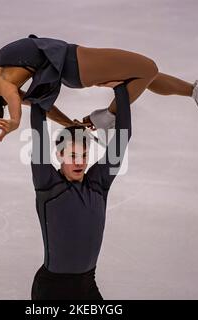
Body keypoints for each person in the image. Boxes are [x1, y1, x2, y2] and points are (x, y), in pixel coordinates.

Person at [0, 35, 198, 141]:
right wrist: (13, 121)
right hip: (74, 62)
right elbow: (13, 97)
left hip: (73, 63)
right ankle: (108, 116)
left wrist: (69, 124)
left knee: (144, 74)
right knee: (146, 67)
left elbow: (37, 104)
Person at [29, 81, 131, 300]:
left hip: (87, 285)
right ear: (59, 155)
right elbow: (38, 130)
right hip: (52, 290)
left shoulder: (98, 184)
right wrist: (45, 81)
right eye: (72, 156)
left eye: (84, 155)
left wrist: (121, 87)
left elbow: (123, 138)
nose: (80, 162)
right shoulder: (48, 185)